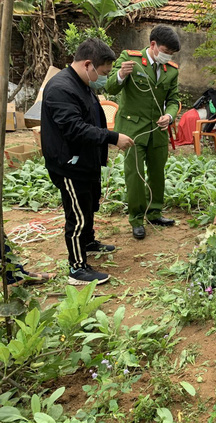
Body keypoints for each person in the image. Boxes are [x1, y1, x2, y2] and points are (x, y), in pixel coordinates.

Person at [41, 38, 134, 285]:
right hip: (69, 165)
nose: (103, 77)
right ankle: (77, 268)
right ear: (88, 64)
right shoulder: (62, 88)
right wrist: (113, 138)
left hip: (86, 161)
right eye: (103, 72)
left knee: (89, 204)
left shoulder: (81, 83)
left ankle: (89, 242)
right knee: (78, 215)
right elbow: (74, 129)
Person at [105, 25, 181, 240]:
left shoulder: (172, 70)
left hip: (157, 130)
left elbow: (173, 100)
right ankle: (137, 219)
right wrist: (120, 74)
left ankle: (155, 212)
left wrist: (170, 116)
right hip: (132, 130)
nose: (168, 56)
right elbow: (110, 87)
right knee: (135, 176)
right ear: (153, 45)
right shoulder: (130, 59)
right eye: (165, 51)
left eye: (172, 54)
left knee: (157, 173)